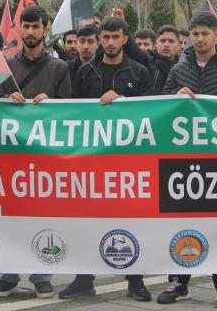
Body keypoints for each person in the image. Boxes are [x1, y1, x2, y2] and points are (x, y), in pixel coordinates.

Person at [159, 12, 217, 308]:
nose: (200, 39)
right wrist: (176, 95)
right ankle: (178, 282)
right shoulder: (179, 69)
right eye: (195, 34)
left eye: (205, 34)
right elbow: (162, 103)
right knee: (181, 221)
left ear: (215, 36)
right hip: (184, 161)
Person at [62, 17, 153, 302]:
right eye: (106, 37)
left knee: (132, 219)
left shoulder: (139, 72)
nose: (110, 42)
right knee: (86, 219)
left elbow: (152, 112)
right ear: (100, 39)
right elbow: (72, 112)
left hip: (128, 162)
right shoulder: (85, 71)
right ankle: (83, 279)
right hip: (91, 162)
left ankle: (136, 280)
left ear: (125, 38)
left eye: (116, 37)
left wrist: (123, 101)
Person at [0, 5, 70, 299]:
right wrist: (4, 98)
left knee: (43, 215)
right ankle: (9, 274)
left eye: (36, 26)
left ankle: (41, 275)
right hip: (11, 156)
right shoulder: (6, 66)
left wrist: (52, 104)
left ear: (46, 28)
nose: (30, 31)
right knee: (10, 214)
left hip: (44, 157)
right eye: (26, 26)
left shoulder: (59, 68)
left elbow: (72, 111)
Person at [124, 23, 182, 94]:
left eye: (171, 41)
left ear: (178, 45)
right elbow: (131, 48)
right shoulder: (147, 60)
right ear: (156, 43)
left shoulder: (182, 67)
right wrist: (123, 24)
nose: (166, 44)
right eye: (163, 41)